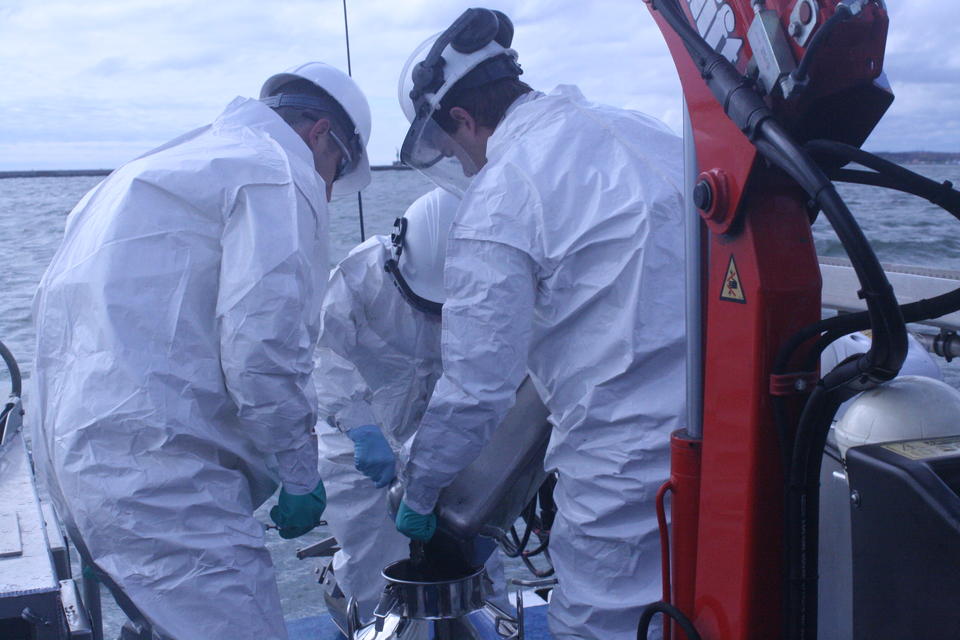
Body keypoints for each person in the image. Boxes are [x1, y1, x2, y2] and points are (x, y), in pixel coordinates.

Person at [30, 61, 371, 640]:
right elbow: (263, 345)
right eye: (335, 172)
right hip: (164, 479)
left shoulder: (147, 172)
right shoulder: (274, 172)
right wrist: (296, 471)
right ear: (319, 136)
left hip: (77, 468)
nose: (330, 191)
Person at [392, 8, 685, 639]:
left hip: (625, 468)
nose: (464, 165)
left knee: (605, 626)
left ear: (465, 120)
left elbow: (476, 386)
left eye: (453, 148)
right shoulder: (638, 131)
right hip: (737, 438)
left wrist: (418, 492)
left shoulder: (505, 188)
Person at [313, 187, 506, 624]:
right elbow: (320, 353)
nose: (433, 317)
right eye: (423, 303)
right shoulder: (359, 275)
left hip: (447, 448)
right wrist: (361, 425)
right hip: (359, 456)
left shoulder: (489, 291)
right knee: (374, 570)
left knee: (478, 570)